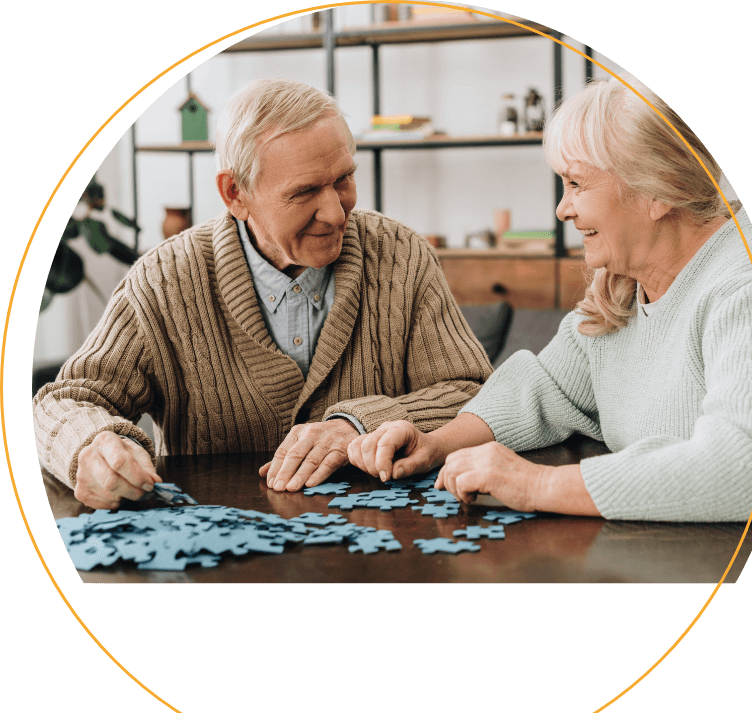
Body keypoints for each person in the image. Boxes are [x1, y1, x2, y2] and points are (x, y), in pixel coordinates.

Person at [33, 78, 493, 510]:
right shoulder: (162, 280)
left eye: (343, 180)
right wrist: (92, 444)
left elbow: (477, 395)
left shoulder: (402, 255)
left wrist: (355, 424)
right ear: (235, 193)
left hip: (387, 548)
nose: (335, 213)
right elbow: (65, 402)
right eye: (305, 192)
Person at [348, 75, 752, 523]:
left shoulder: (749, 286)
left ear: (659, 190)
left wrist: (536, 484)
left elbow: (750, 465)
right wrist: (437, 442)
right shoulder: (623, 283)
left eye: (577, 184)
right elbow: (546, 386)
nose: (563, 208)